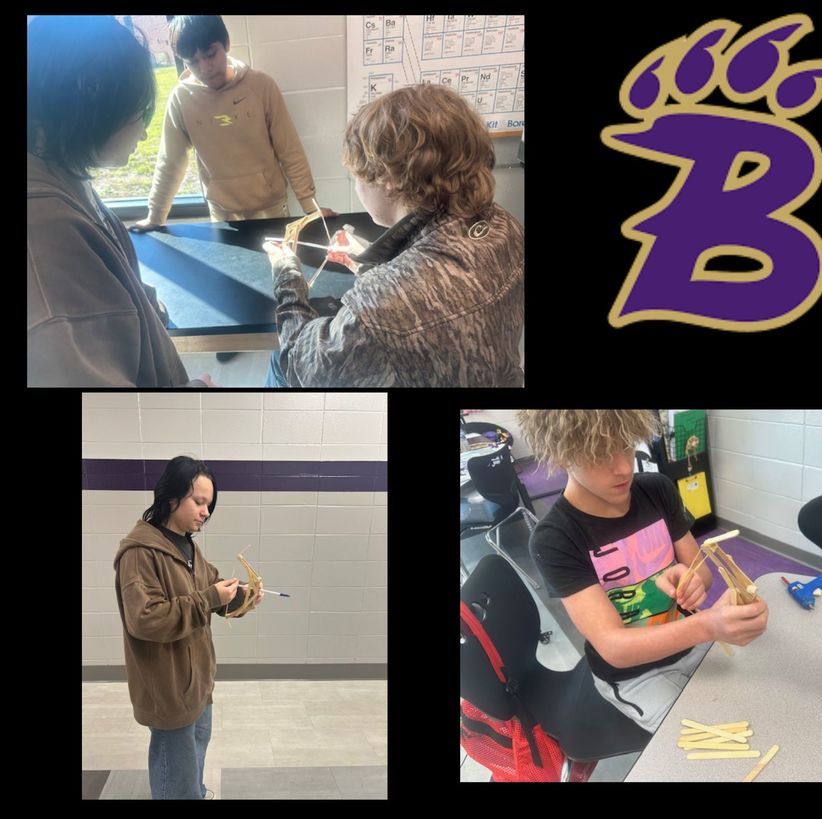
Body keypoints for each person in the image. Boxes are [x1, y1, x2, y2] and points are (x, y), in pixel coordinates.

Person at [515, 410, 769, 733]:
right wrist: (708, 625)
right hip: (634, 675)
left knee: (758, 705)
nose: (623, 468)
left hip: (690, 642)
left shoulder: (657, 490)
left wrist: (690, 581)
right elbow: (614, 647)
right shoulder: (555, 538)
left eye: (626, 446)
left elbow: (701, 573)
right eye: (600, 454)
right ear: (563, 455)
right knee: (711, 742)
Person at [262, 82, 524, 387]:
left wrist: (286, 275)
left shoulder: (376, 308)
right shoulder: (504, 225)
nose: (357, 186)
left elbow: (302, 366)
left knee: (278, 361)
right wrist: (369, 264)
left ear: (388, 179)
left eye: (357, 176)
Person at [27, 16, 213, 387]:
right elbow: (108, 425)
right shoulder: (45, 230)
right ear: (90, 101)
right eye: (137, 115)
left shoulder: (64, 172)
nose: (144, 132)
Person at [113, 456, 264, 799]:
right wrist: (211, 597)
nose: (205, 512)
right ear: (171, 497)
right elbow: (146, 619)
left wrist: (243, 599)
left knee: (194, 757)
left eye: (208, 505)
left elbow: (214, 594)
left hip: (197, 683)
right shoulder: (140, 553)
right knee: (175, 769)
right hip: (167, 688)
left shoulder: (187, 547)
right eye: (198, 501)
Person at [130, 15, 337, 229]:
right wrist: (155, 216)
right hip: (222, 212)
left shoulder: (261, 86)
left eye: (211, 54)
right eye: (192, 62)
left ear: (226, 44)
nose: (205, 68)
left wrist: (310, 207)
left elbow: (289, 149)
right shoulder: (181, 99)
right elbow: (170, 161)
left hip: (272, 208)